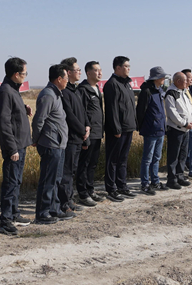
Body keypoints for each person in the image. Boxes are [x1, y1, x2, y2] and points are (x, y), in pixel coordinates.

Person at [0, 57, 34, 235]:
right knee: (10, 183)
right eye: (24, 73)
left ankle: (14, 213)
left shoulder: (13, 90)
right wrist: (12, 148)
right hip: (14, 147)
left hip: (21, 144)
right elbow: (4, 123)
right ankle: (5, 221)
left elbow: (12, 115)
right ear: (16, 74)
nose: (25, 76)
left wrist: (23, 109)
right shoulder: (5, 91)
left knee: (16, 181)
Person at [31, 64, 72, 224]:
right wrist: (36, 139)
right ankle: (42, 213)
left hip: (59, 144)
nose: (68, 81)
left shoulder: (56, 94)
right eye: (66, 78)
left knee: (56, 179)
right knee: (48, 180)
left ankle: (54, 209)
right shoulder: (48, 95)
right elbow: (39, 120)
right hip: (50, 143)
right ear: (59, 79)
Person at [103, 56, 138, 202]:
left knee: (123, 159)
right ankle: (111, 189)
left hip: (128, 127)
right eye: (126, 66)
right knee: (113, 160)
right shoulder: (112, 84)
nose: (129, 69)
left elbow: (130, 107)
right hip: (117, 130)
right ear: (118, 68)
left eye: (129, 66)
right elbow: (112, 109)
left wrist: (134, 123)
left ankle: (122, 185)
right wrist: (116, 129)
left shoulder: (127, 84)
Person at [58, 58, 90, 213]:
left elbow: (83, 112)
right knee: (66, 172)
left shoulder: (76, 90)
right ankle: (64, 203)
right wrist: (82, 131)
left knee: (72, 171)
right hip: (71, 138)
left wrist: (87, 126)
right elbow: (70, 116)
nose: (79, 73)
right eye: (77, 70)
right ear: (68, 72)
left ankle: (69, 200)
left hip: (79, 137)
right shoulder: (64, 92)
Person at [75, 61, 106, 206]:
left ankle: (90, 189)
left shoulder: (97, 89)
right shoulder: (83, 90)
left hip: (98, 132)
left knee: (92, 164)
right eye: (96, 70)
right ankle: (82, 193)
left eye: (100, 70)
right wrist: (84, 132)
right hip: (88, 133)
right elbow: (81, 112)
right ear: (88, 73)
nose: (100, 73)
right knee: (84, 164)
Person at [136, 66, 169, 195]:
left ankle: (155, 181)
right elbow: (141, 111)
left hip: (160, 129)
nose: (164, 78)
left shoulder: (159, 90)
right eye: (162, 76)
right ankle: (145, 183)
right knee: (147, 158)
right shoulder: (147, 91)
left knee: (156, 157)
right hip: (150, 130)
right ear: (156, 78)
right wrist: (142, 127)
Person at [164, 72, 192, 190]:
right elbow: (172, 113)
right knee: (174, 155)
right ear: (178, 81)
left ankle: (180, 176)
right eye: (185, 80)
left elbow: (190, 108)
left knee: (183, 154)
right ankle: (171, 179)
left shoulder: (184, 92)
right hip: (176, 129)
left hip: (186, 130)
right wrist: (184, 123)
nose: (187, 82)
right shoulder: (171, 94)